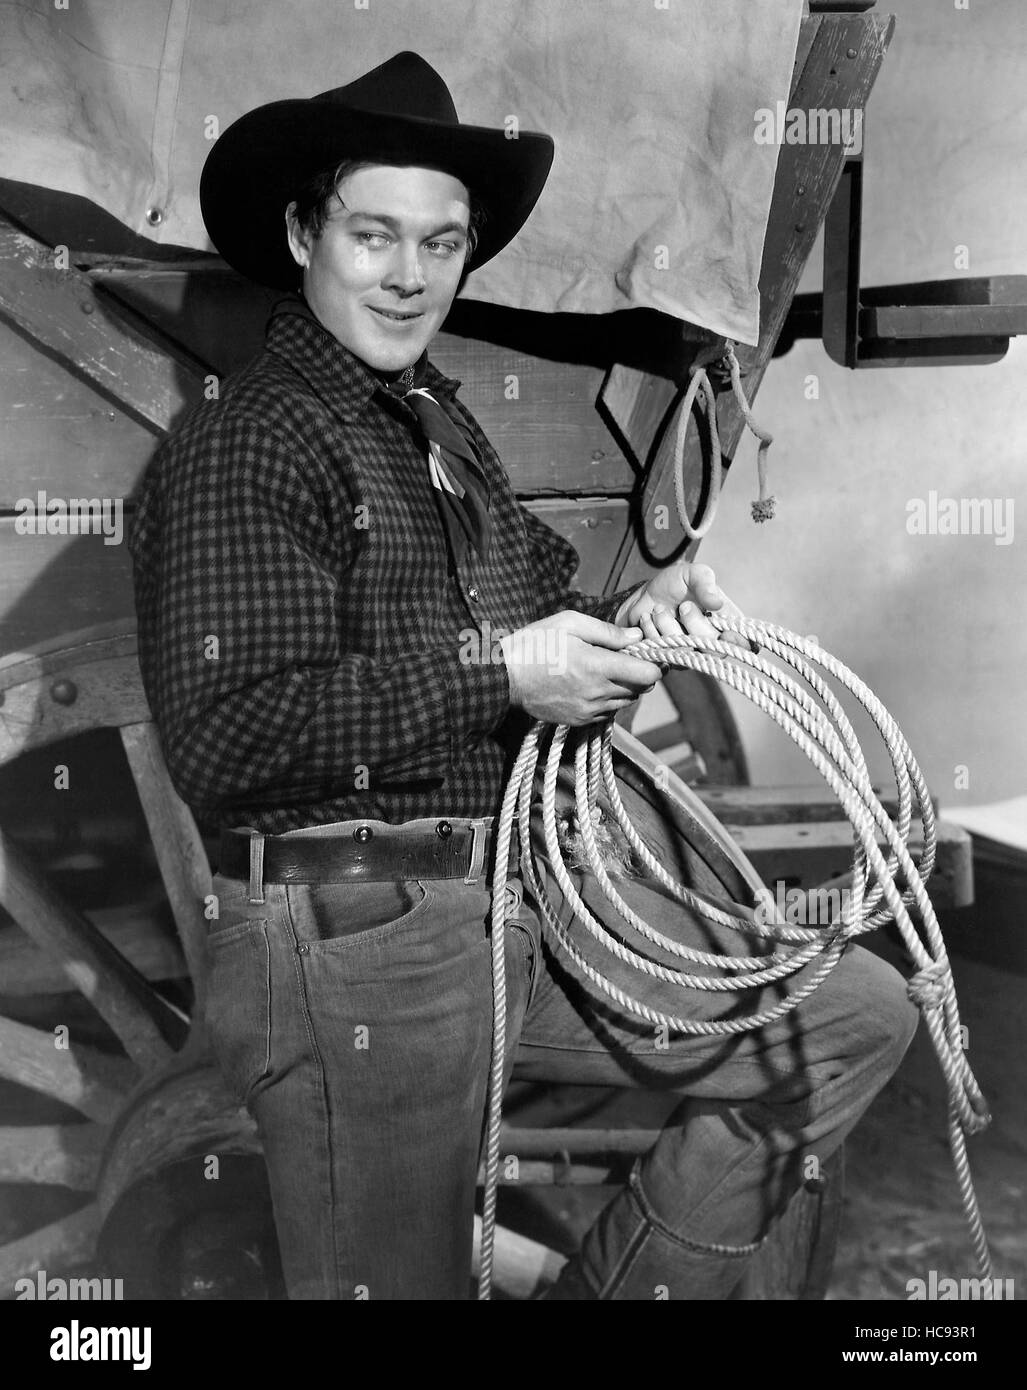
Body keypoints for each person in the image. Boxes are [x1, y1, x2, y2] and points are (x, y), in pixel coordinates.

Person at [129, 51, 918, 1300]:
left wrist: (634, 618)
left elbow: (539, 621)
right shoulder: (247, 442)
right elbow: (228, 733)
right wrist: (499, 672)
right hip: (359, 945)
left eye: (440, 243)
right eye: (373, 235)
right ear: (300, 235)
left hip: (512, 905)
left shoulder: (436, 426)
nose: (409, 275)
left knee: (853, 1019)